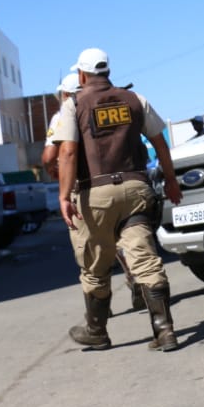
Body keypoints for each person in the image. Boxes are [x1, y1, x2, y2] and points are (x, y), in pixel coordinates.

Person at [51, 48, 182, 351]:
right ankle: (165, 331)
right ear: (107, 72)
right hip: (136, 190)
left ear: (82, 75)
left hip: (94, 195)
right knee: (145, 259)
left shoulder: (73, 105)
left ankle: (97, 331)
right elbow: (160, 141)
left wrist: (63, 196)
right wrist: (172, 181)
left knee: (95, 265)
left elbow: (67, 152)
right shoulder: (135, 99)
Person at [43, 72, 145, 314]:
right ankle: (138, 283)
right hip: (126, 182)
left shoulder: (65, 112)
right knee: (125, 240)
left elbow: (49, 157)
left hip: (86, 192)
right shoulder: (118, 101)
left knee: (91, 249)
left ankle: (100, 309)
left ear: (66, 93)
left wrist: (61, 183)